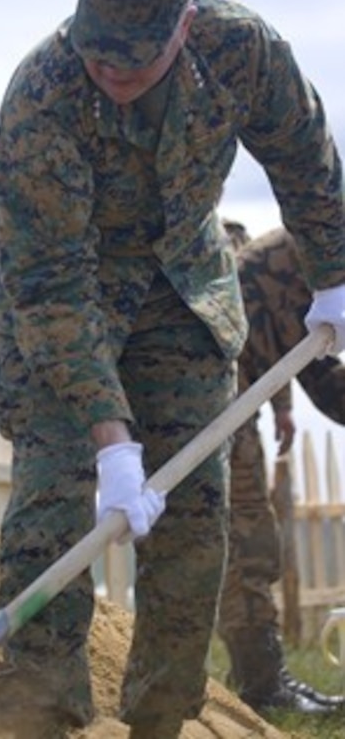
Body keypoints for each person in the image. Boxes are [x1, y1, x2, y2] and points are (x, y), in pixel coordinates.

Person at [0, 0, 345, 736]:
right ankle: (42, 718)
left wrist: (332, 278)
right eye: (98, 54)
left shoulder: (243, 51)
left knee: (192, 520)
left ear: (183, 26)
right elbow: (50, 284)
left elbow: (306, 159)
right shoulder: (42, 98)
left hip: (179, 285)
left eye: (132, 61)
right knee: (54, 504)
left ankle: (158, 722)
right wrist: (110, 441)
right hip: (57, 297)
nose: (109, 75)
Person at [218, 221, 345, 715]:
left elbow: (296, 344)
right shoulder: (324, 243)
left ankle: (259, 680)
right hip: (218, 388)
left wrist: (282, 405)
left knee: (241, 534)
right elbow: (317, 364)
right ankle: (263, 687)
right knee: (248, 535)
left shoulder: (307, 243)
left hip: (238, 378)